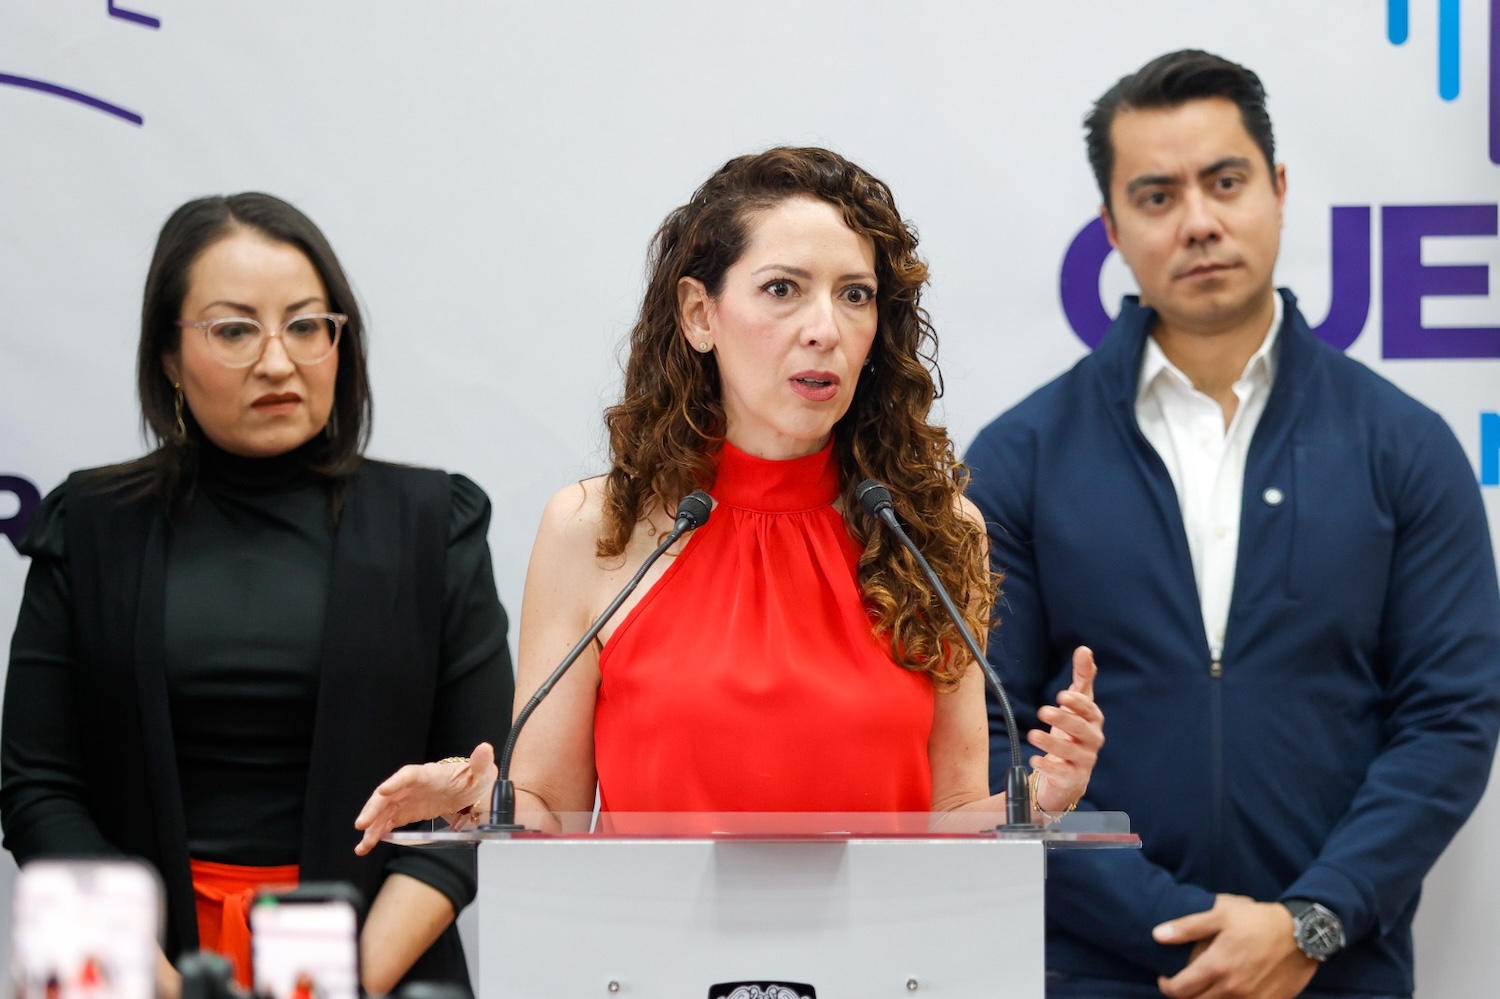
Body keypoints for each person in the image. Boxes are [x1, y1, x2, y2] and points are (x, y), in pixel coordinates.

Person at [353, 146, 1104, 846]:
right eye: (783, 289)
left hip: (885, 940)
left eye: (855, 295)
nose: (825, 328)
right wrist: (484, 800)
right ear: (699, 313)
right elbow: (549, 807)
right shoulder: (595, 527)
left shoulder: (932, 529)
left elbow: (951, 815)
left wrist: (1040, 799)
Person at [965, 50, 1500, 999]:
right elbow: (987, 741)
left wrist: (1310, 920)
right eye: (1157, 195)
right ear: (1112, 228)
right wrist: (1171, 929)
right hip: (1100, 972)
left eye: (1225, 182)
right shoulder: (1023, 456)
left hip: (1336, 969)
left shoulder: (1403, 446)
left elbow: (1450, 718)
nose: (1199, 221)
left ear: (1278, 190)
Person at [1, 193, 515, 997]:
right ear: (169, 355)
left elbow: (476, 793)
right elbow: (38, 787)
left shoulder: (429, 524)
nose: (278, 361)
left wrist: (343, 981)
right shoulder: (91, 525)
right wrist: (166, 985)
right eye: (235, 330)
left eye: (307, 325)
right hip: (128, 964)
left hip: (371, 962)